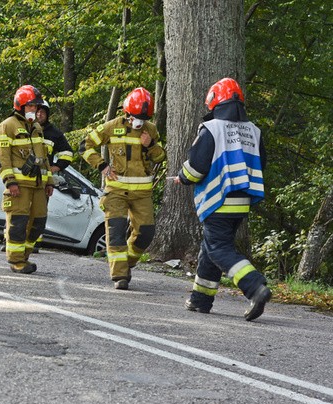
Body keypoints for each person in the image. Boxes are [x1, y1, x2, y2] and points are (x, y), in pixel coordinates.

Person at [174, 77, 271, 321]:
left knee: (219, 248)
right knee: (210, 247)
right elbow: (262, 164)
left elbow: (196, 168)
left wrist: (183, 177)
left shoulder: (212, 129)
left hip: (219, 199)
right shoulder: (254, 131)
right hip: (243, 200)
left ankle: (255, 286)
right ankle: (200, 300)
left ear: (215, 101)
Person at [82, 87, 166, 289]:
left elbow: (161, 157)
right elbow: (85, 146)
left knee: (146, 233)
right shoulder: (111, 127)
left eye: (143, 117)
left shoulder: (151, 130)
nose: (139, 121)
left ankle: (127, 262)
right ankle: (120, 276)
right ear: (127, 112)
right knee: (117, 231)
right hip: (116, 191)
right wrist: (101, 165)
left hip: (142, 193)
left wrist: (150, 145)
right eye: (136, 116)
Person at [0, 85, 54, 274]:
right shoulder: (7, 125)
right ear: (20, 106)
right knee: (18, 223)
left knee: (39, 222)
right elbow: (1, 158)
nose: (34, 110)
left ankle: (25, 256)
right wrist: (10, 182)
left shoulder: (36, 127)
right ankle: (16, 260)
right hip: (19, 185)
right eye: (30, 106)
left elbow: (44, 157)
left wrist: (49, 181)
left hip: (38, 185)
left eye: (36, 107)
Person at [33, 101, 74, 253]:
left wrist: (54, 168)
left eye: (43, 112)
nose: (39, 114)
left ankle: (34, 243)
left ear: (48, 114)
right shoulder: (23, 128)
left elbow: (68, 154)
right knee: (19, 211)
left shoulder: (54, 133)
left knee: (40, 212)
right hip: (24, 179)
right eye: (37, 111)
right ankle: (11, 240)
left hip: (43, 181)